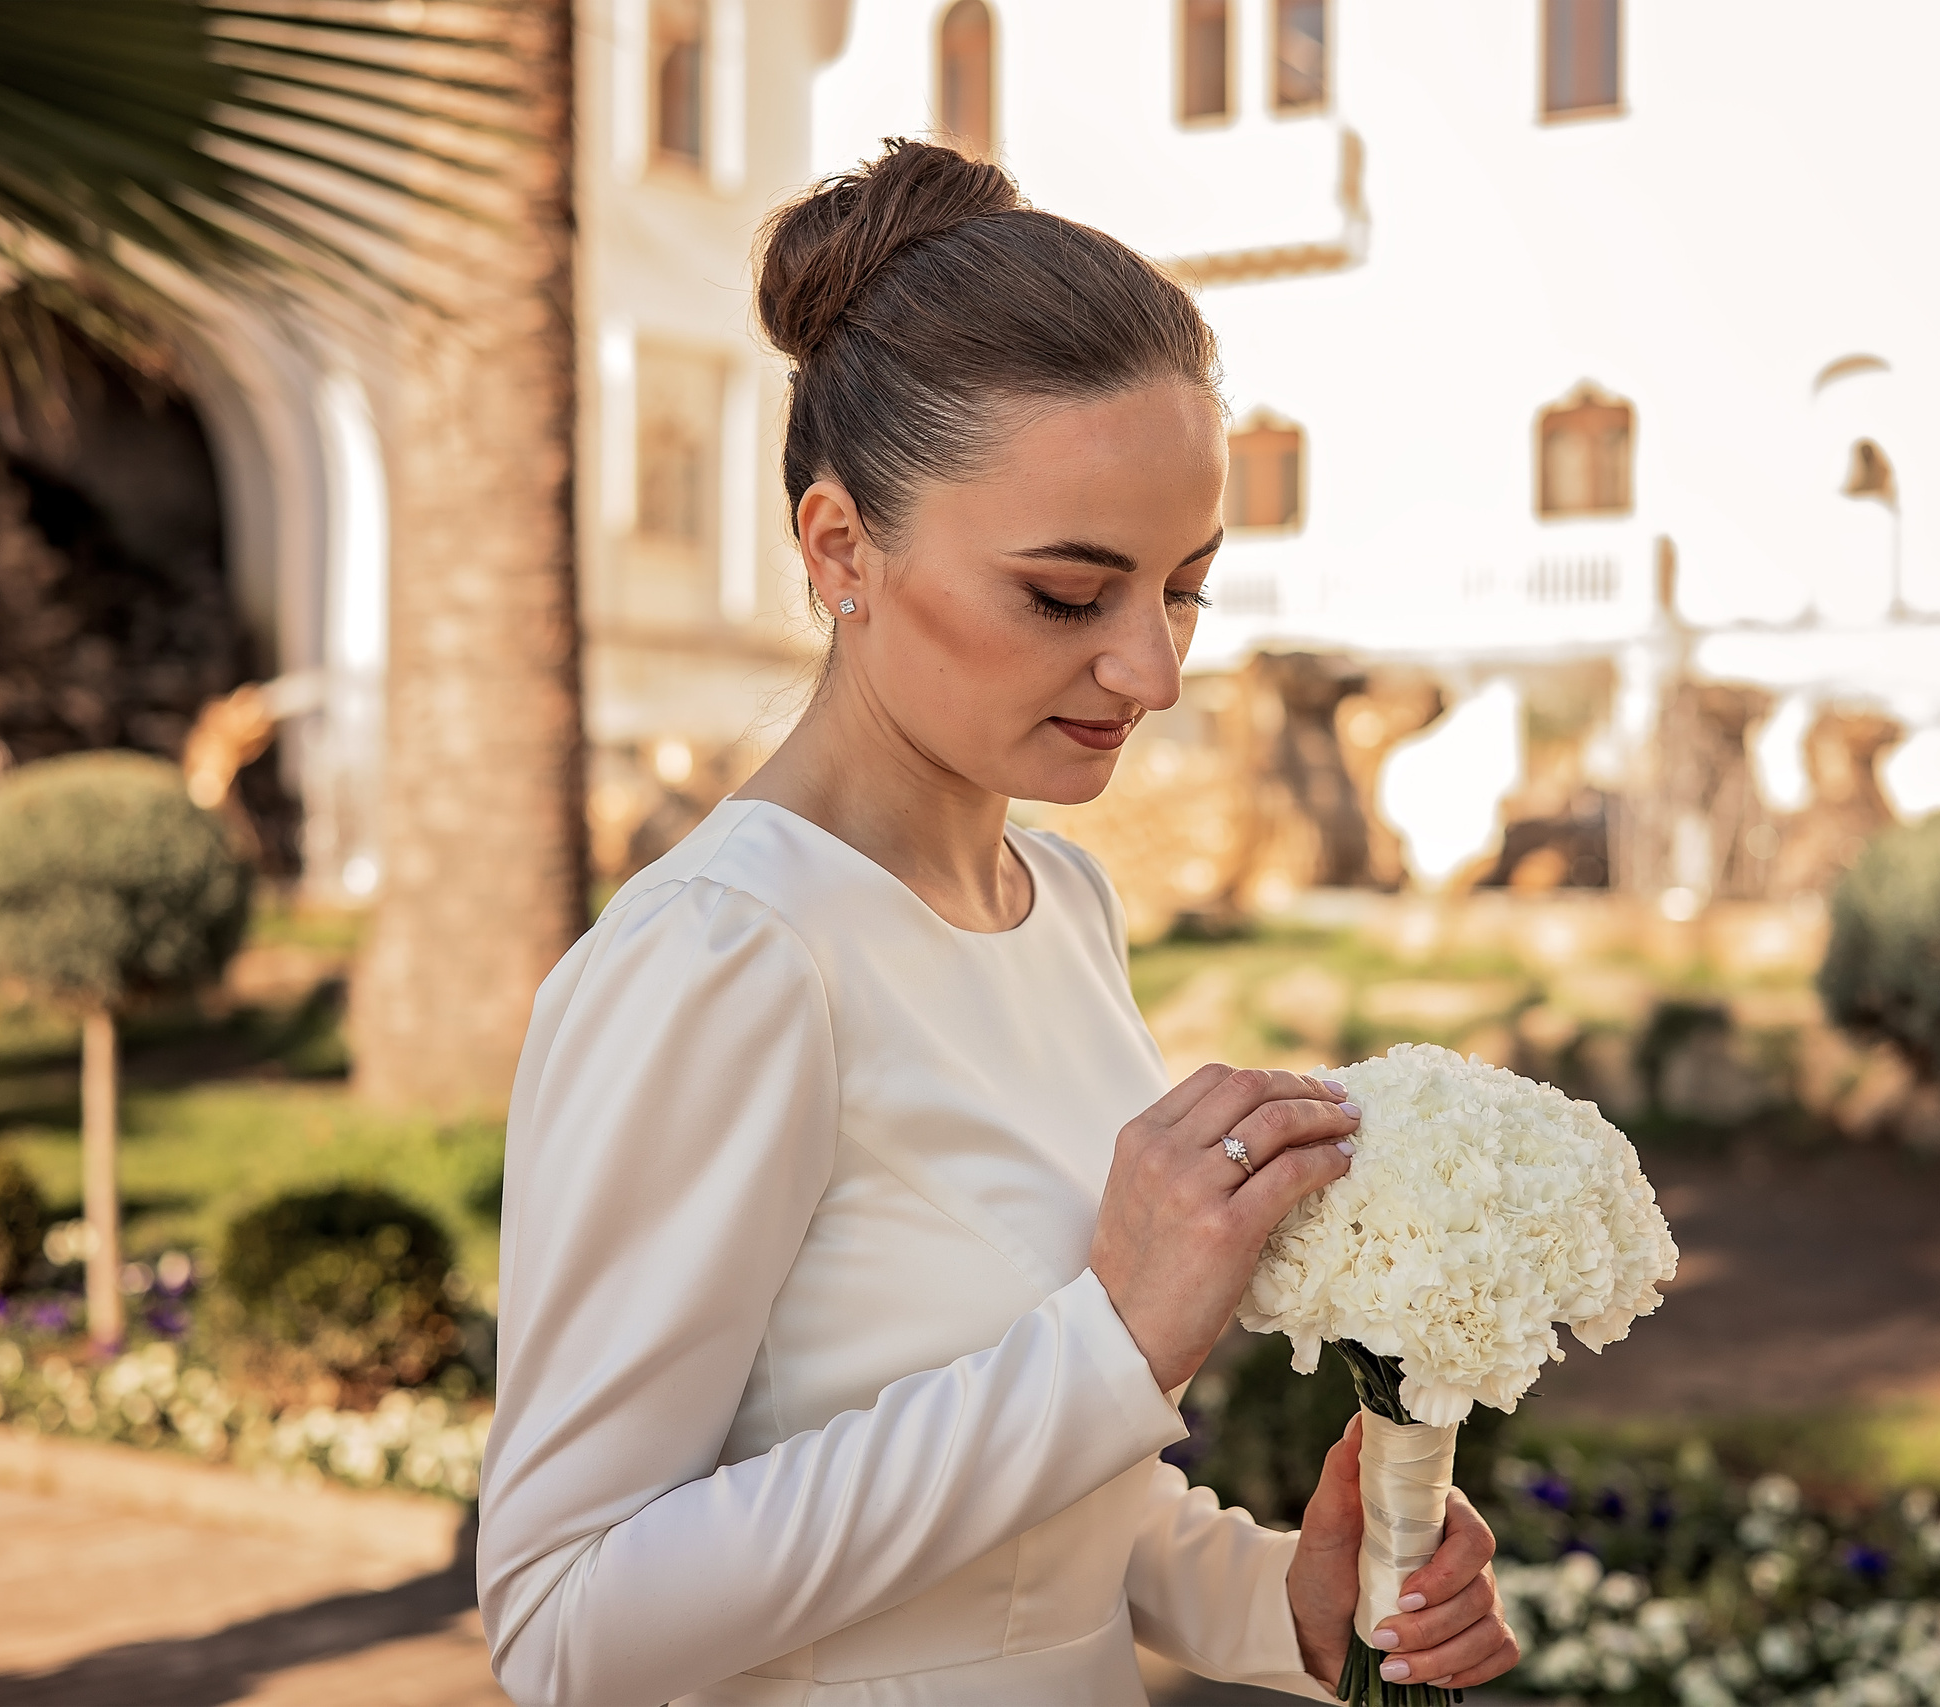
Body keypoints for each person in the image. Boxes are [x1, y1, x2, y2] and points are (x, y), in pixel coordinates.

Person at [475, 140, 1521, 1707]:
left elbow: (1032, 1508)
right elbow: (566, 1625)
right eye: (1065, 595)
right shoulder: (728, 957)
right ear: (842, 550)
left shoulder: (1062, 908)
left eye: (1186, 589)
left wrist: (1277, 1605)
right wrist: (1112, 1340)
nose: (1153, 673)